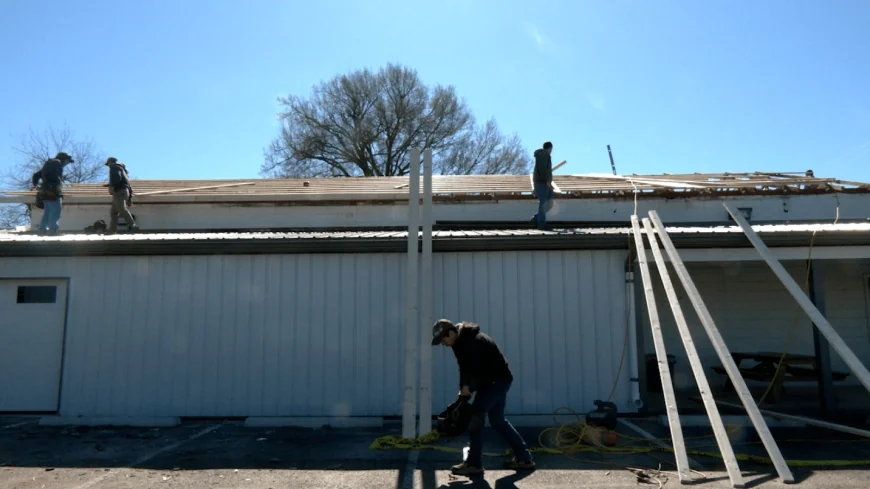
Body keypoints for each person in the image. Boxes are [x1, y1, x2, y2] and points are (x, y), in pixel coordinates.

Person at [431, 319, 535, 476]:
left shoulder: (474, 341)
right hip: (493, 381)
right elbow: (464, 368)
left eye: (444, 339)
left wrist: (470, 388)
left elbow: (481, 370)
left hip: (496, 381)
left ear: (451, 333)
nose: (444, 344)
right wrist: (464, 388)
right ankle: (524, 458)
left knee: (475, 418)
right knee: (497, 420)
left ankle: (474, 464)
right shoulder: (459, 343)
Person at [31, 152, 74, 235]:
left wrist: (36, 185)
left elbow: (36, 175)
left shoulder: (48, 164)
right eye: (68, 161)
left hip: (44, 191)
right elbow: (55, 177)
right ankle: (53, 231)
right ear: (64, 159)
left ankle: (42, 230)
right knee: (56, 211)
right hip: (52, 191)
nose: (67, 164)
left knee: (47, 212)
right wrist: (56, 187)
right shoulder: (57, 162)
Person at [105, 157, 139, 233]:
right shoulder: (122, 170)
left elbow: (116, 177)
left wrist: (112, 187)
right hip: (123, 192)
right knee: (113, 212)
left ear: (110, 162)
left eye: (108, 164)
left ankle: (133, 226)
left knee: (122, 209)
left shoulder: (114, 166)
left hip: (119, 191)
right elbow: (128, 185)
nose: (108, 166)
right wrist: (129, 198)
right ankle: (112, 230)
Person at [531, 141, 554, 229]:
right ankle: (541, 223)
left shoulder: (545, 156)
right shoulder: (543, 156)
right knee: (544, 202)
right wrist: (547, 181)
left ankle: (537, 218)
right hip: (542, 182)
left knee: (549, 202)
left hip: (544, 182)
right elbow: (543, 169)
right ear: (550, 148)